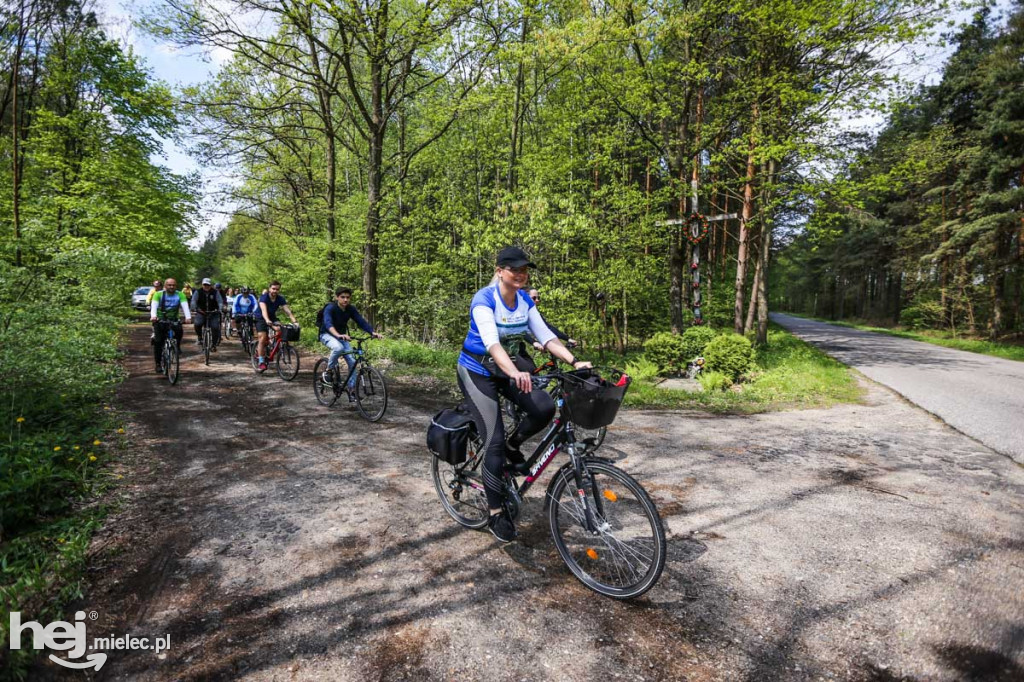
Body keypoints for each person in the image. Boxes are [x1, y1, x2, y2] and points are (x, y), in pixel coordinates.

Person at [457, 246, 591, 543]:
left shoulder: (524, 302)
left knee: (543, 408)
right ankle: (494, 514)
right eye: (514, 269)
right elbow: (492, 344)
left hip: (507, 369)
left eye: (524, 270)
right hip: (477, 371)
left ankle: (512, 445)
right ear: (499, 271)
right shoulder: (484, 300)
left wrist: (574, 361)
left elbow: (546, 336)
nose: (520, 274)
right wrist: (516, 372)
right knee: (492, 441)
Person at [318, 287, 383, 398]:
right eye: (342, 297)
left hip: (342, 337)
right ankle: (328, 371)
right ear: (337, 297)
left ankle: (352, 390)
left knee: (353, 362)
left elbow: (361, 321)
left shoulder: (350, 309)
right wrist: (338, 335)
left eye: (348, 297)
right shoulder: (330, 308)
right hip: (326, 334)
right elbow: (328, 323)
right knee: (338, 348)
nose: (345, 300)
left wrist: (372, 332)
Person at [150, 278, 192, 373]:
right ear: (165, 286)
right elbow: (154, 306)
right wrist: (153, 316)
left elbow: (185, 306)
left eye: (173, 285)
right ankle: (158, 364)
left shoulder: (180, 294)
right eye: (169, 285)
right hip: (160, 320)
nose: (171, 287)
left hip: (173, 319)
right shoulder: (158, 294)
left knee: (179, 331)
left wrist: (188, 317)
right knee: (158, 342)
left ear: (176, 286)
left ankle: (176, 346)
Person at [256, 280, 297, 371]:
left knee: (280, 329)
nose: (275, 291)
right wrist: (267, 320)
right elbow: (263, 311)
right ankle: (261, 361)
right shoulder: (264, 297)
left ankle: (274, 346)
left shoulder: (280, 298)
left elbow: (287, 310)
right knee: (262, 338)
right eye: (273, 289)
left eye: (277, 289)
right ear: (269, 289)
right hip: (261, 318)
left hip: (272, 317)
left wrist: (294, 321)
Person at [191, 278, 224, 351]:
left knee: (215, 327)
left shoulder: (215, 292)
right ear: (202, 285)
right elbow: (194, 300)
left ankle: (214, 344)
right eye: (205, 285)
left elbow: (220, 301)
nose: (206, 286)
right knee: (197, 324)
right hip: (201, 312)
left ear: (210, 285)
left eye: (208, 285)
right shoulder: (198, 292)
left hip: (213, 313)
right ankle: (200, 337)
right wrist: (194, 308)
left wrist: (220, 308)